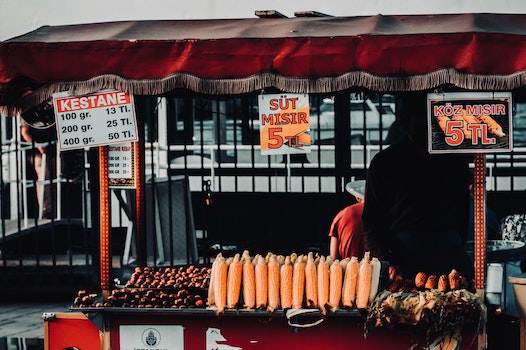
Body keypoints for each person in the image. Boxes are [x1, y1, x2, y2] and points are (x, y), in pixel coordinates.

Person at [362, 93, 474, 280]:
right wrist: (384, 260)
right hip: (404, 257)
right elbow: (371, 221)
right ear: (406, 121)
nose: (425, 124)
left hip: (448, 252)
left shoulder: (455, 160)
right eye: (420, 118)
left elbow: (463, 209)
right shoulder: (386, 162)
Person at [328, 180, 366, 260]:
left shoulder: (341, 215)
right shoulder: (383, 215)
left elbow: (333, 257)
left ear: (357, 197)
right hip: (375, 269)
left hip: (347, 269)